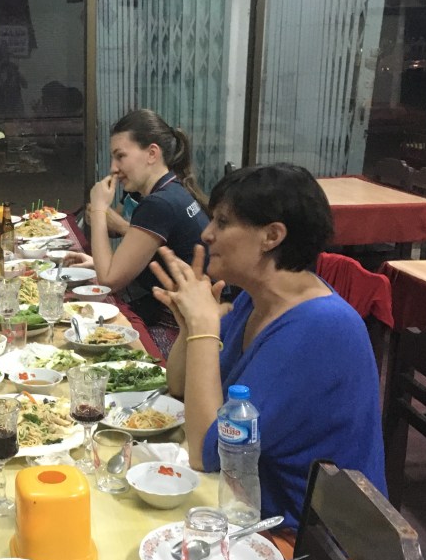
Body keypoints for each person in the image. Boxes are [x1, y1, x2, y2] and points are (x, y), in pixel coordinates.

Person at [149, 164, 386, 528]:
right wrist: (189, 326)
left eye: (222, 222)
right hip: (246, 502)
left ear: (272, 236)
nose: (207, 234)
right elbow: (180, 388)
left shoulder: (321, 327)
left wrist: (204, 328)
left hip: (308, 538)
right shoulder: (256, 298)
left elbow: (205, 453)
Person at [70, 109, 209, 356]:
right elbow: (127, 265)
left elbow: (109, 280)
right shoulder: (172, 190)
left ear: (152, 153)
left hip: (179, 329)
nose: (114, 168)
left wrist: (100, 209)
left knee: (88, 348)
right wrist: (95, 262)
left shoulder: (159, 204)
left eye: (120, 156)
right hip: (182, 318)